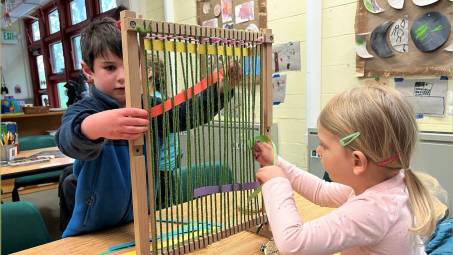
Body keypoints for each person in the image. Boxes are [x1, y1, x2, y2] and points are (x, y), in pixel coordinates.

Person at [56, 17, 238, 237]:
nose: (123, 77)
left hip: (139, 223)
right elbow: (67, 138)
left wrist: (220, 90)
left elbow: (187, 114)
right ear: (88, 71)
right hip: (91, 230)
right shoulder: (85, 109)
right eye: (110, 67)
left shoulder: (150, 107)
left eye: (132, 65)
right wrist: (95, 127)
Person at [254, 85, 439, 255]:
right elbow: (320, 191)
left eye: (324, 146)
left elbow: (293, 244)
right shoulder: (385, 184)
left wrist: (277, 184)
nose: (318, 150)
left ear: (357, 161)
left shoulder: (373, 210)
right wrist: (276, 162)